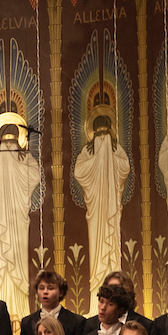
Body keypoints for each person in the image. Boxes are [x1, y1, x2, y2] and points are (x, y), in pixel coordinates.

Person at [0, 122, 42, 319]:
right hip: (0, 219)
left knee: (17, 258)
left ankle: (20, 308)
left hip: (18, 218)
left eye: (12, 141)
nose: (9, 146)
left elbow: (34, 176)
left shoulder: (15, 159)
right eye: (5, 142)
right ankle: (3, 305)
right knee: (2, 259)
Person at [72, 106, 132, 293]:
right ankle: (97, 289)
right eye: (100, 135)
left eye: (106, 134)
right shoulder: (89, 152)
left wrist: (106, 156)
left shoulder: (115, 150)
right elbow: (79, 172)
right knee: (97, 248)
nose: (103, 139)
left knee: (113, 244)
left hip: (112, 207)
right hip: (97, 209)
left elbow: (125, 168)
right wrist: (100, 158)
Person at [19, 271, 84, 335]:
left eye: (50, 288)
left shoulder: (77, 321)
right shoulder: (27, 322)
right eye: (41, 288)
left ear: (61, 292)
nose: (45, 292)